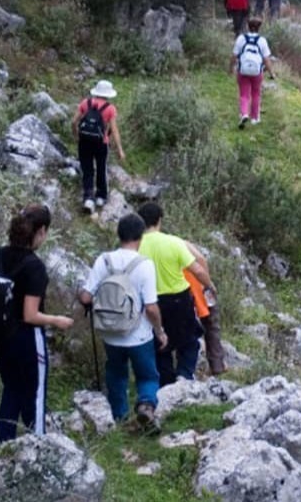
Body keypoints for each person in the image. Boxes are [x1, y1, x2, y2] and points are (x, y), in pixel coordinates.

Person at [0, 204, 75, 444]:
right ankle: (37, 447)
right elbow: (30, 314)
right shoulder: (34, 267)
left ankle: (1, 442)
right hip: (27, 338)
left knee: (12, 388)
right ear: (41, 231)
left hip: (0, 335)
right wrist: (57, 320)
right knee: (35, 394)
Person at [79, 213, 166, 428]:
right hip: (139, 335)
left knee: (116, 376)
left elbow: (86, 297)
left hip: (110, 333)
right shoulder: (144, 265)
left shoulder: (104, 260)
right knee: (148, 376)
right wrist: (160, 331)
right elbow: (151, 308)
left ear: (118, 235)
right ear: (140, 236)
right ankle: (146, 405)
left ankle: (120, 418)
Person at [137, 202, 215, 385]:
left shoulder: (136, 246)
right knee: (189, 341)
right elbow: (197, 269)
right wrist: (209, 285)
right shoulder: (173, 242)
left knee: (160, 345)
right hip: (179, 299)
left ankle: (166, 383)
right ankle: (184, 375)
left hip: (151, 303)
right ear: (159, 220)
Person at [73, 80, 126, 214]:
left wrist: (76, 135)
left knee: (87, 169)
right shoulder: (110, 108)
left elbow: (74, 121)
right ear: (108, 94)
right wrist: (120, 150)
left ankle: (88, 198)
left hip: (84, 141)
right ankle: (101, 197)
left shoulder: (86, 103)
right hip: (101, 143)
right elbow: (114, 130)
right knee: (101, 168)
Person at [183, 242, 226, 375]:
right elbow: (201, 259)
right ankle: (217, 364)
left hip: (179, 292)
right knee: (211, 324)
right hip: (196, 288)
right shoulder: (181, 242)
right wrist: (208, 283)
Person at [230, 18, 276, 130]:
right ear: (259, 28)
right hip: (257, 72)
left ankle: (244, 113)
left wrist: (230, 68)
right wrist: (272, 73)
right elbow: (266, 59)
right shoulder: (262, 41)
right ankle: (255, 118)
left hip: (243, 71)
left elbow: (234, 56)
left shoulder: (241, 38)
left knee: (244, 94)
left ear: (248, 27)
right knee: (256, 94)